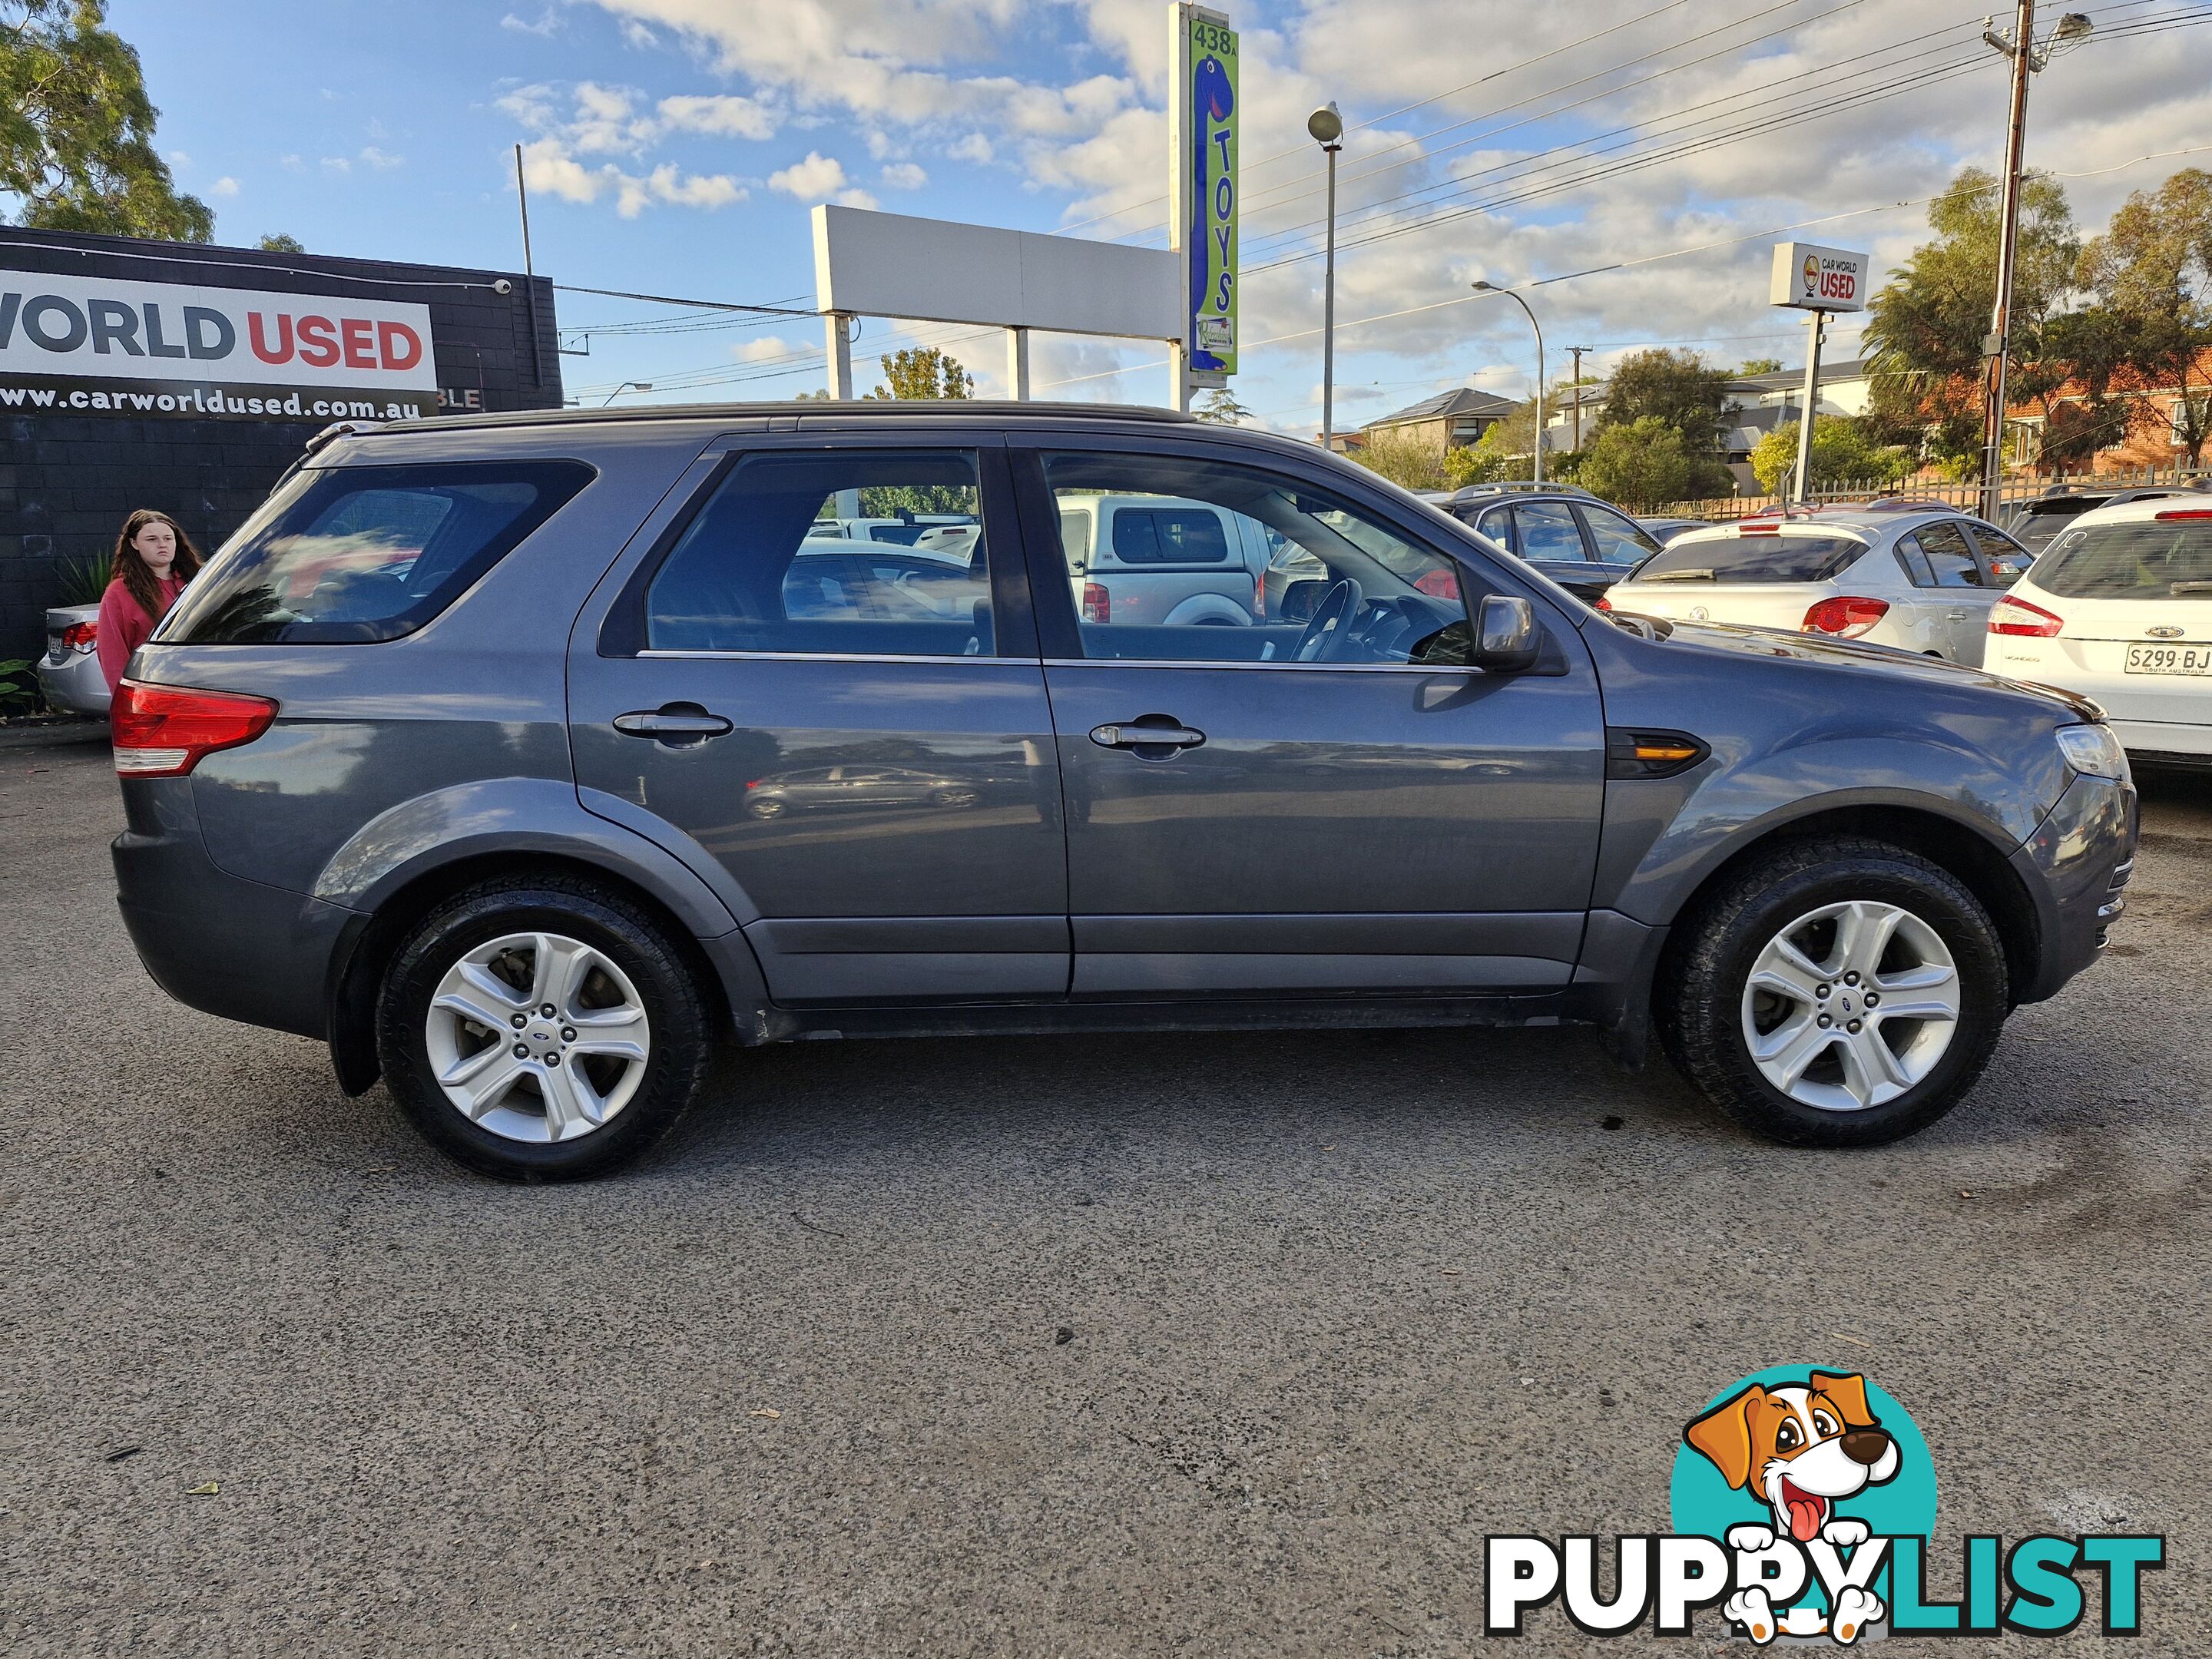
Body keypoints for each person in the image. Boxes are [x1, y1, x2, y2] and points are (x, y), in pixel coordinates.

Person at [97, 509, 204, 696]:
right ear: (134, 543)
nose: (162, 545)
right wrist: (129, 700)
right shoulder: (120, 592)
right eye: (152, 539)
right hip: (154, 692)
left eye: (168, 538)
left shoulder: (199, 581)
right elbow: (112, 654)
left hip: (206, 687)